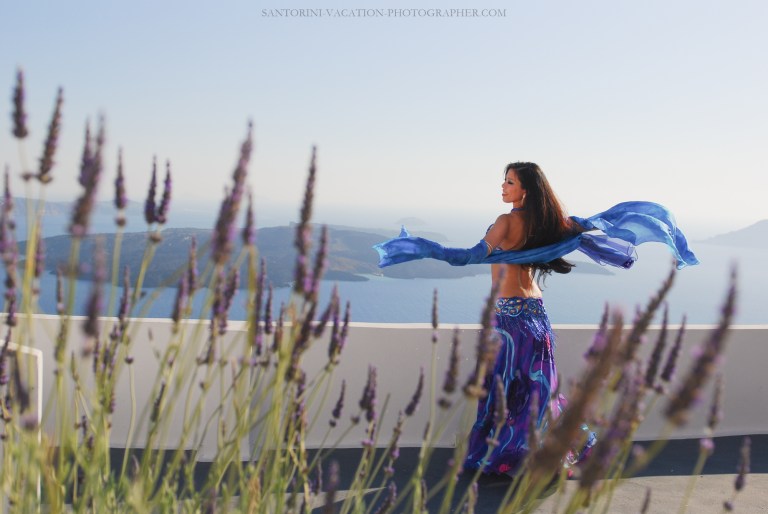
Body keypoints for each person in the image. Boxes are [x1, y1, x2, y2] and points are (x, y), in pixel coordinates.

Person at [373, 161, 698, 476]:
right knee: (539, 390)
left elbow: (471, 256)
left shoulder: (505, 222)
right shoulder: (548, 224)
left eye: (510, 181)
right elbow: (585, 227)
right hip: (536, 316)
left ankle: (512, 457)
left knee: (507, 389)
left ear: (526, 190)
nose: (503, 186)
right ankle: (541, 455)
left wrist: (427, 249)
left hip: (511, 319)